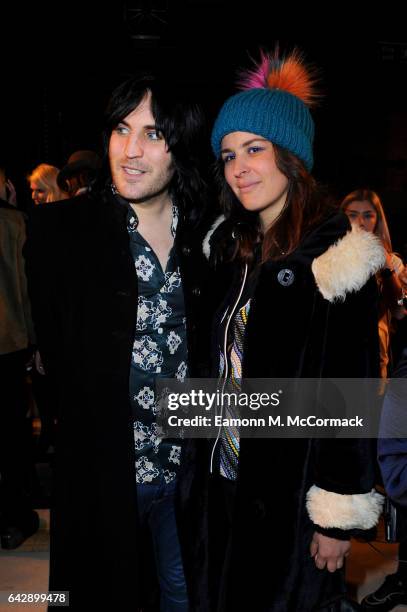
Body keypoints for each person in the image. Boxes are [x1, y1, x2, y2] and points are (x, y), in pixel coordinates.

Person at [206, 48, 385, 611]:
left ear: (291, 156)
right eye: (229, 153)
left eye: (255, 149)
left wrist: (335, 514)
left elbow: (349, 395)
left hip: (292, 498)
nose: (240, 167)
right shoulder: (231, 251)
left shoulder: (337, 257)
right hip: (226, 484)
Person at [25, 75, 212, 611]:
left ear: (181, 146)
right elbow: (54, 356)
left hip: (188, 478)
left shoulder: (213, 237)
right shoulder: (59, 233)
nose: (130, 151)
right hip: (102, 473)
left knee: (187, 597)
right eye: (121, 129)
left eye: (153, 134)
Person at [0, 167, 39, 549]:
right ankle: (15, 519)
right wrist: (34, 339)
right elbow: (26, 286)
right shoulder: (13, 223)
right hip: (7, 344)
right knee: (12, 436)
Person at [341, 189, 406, 379]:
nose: (360, 222)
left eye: (368, 215)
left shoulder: (392, 263)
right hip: (334, 359)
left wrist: (387, 270)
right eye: (352, 215)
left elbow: (400, 310)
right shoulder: (326, 258)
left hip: (373, 364)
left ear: (378, 220)